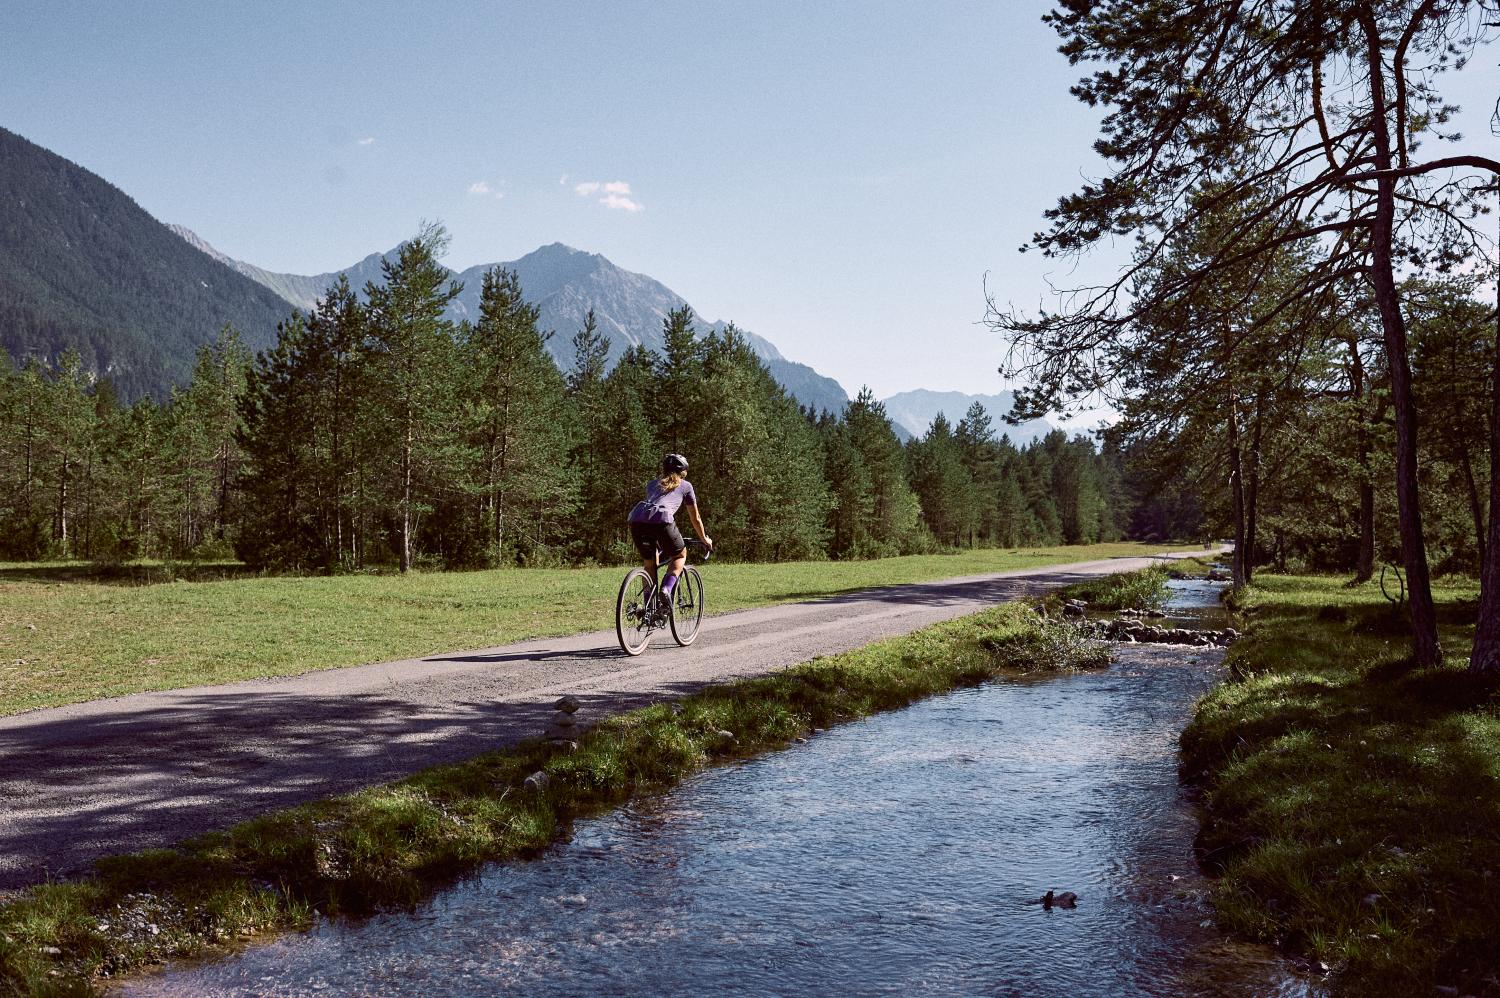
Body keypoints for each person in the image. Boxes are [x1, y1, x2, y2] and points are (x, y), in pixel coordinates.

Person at [628, 453, 712, 620]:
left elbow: (654, 508)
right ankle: (666, 589)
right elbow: (695, 518)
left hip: (636, 522)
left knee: (650, 564)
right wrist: (704, 539)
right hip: (663, 521)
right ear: (683, 471)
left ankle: (648, 609)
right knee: (680, 555)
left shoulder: (652, 484)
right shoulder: (686, 486)